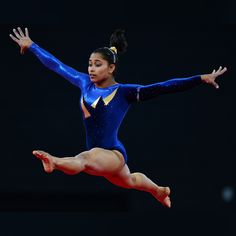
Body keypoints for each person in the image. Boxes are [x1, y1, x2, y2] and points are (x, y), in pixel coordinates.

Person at [10, 27, 227, 208]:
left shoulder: (126, 92)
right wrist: (32, 46)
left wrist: (200, 78)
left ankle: (54, 162)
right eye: (90, 64)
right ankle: (159, 191)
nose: (91, 69)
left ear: (111, 68)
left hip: (112, 153)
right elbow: (57, 65)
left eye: (98, 64)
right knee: (130, 180)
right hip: (103, 158)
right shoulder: (84, 82)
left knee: (85, 158)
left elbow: (164, 87)